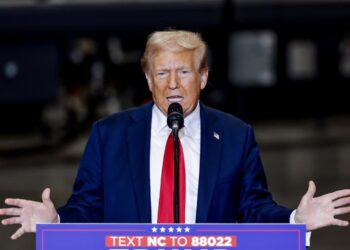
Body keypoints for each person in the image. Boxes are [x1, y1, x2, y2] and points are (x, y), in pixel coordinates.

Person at [1, 30, 350, 241]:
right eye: (162, 72)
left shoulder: (235, 136)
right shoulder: (109, 135)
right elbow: (88, 209)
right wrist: (56, 222)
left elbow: (254, 208)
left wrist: (295, 221)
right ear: (149, 79)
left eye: (183, 71)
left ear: (203, 77)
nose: (172, 84)